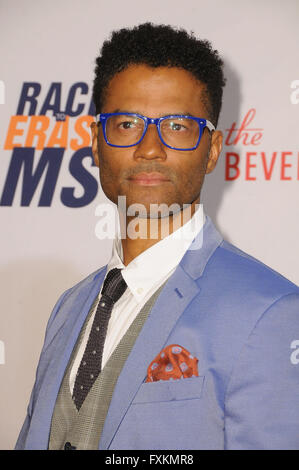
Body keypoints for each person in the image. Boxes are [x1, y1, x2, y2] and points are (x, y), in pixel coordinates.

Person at [16, 23, 299, 450]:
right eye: (127, 123)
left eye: (179, 126)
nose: (150, 147)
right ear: (95, 143)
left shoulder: (271, 314)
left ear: (213, 150)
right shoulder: (68, 307)